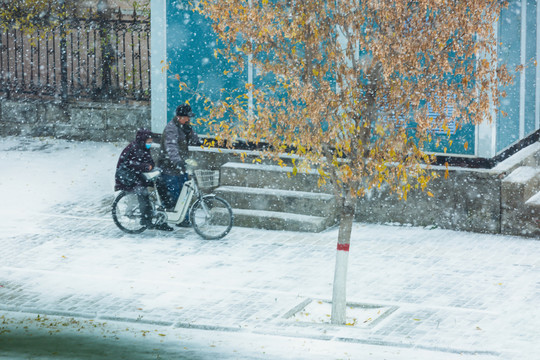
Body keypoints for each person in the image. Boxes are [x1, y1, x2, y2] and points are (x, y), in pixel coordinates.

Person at [115, 128, 173, 231]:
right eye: (148, 142)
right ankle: (145, 220)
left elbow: (149, 161)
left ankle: (165, 210)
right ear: (142, 140)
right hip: (129, 177)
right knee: (143, 193)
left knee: (160, 181)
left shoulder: (143, 148)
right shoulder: (133, 148)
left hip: (139, 175)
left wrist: (150, 166)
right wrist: (145, 167)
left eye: (151, 142)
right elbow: (130, 164)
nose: (149, 144)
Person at [157, 104, 201, 211]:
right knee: (174, 196)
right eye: (187, 117)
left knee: (184, 195)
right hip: (169, 168)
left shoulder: (184, 126)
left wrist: (190, 132)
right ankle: (165, 218)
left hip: (181, 167)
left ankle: (183, 219)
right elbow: (171, 147)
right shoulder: (171, 129)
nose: (189, 119)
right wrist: (177, 161)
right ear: (179, 117)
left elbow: (195, 141)